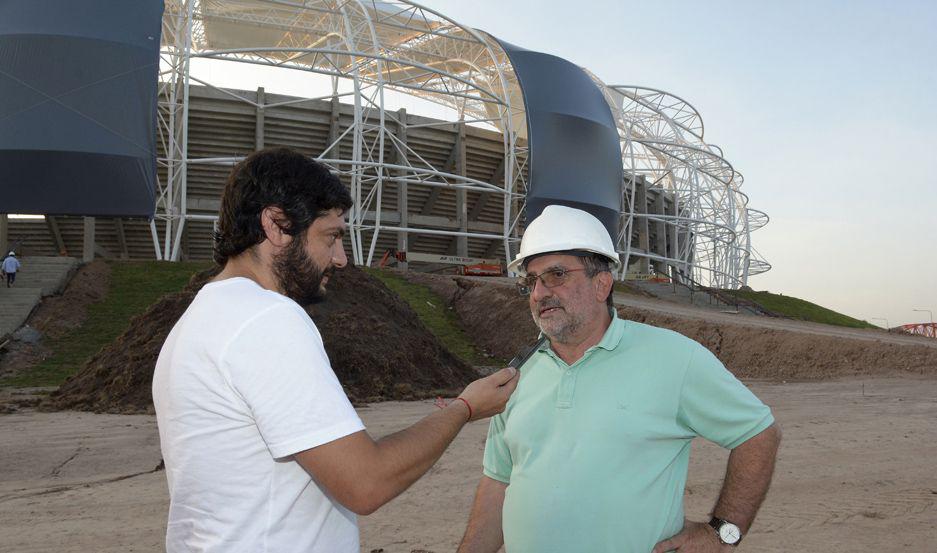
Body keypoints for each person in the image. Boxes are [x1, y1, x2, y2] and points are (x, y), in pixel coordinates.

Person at [152, 147, 519, 553]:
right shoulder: (267, 319)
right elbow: (366, 482)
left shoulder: (198, 319)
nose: (342, 259)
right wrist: (464, 408)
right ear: (276, 225)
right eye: (332, 236)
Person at [458, 205, 781, 553]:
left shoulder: (674, 358)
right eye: (531, 281)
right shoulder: (517, 375)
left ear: (601, 284)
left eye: (556, 275)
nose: (539, 293)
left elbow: (759, 434)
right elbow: (498, 482)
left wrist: (722, 533)